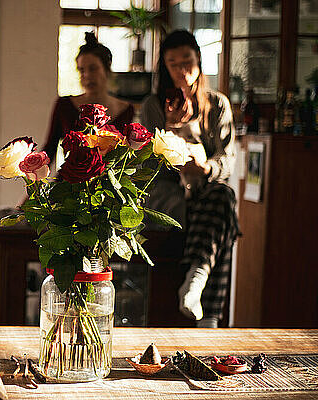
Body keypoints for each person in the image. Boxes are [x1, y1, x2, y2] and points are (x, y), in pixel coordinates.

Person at [140, 30, 239, 328]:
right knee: (225, 222)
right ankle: (207, 316)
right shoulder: (153, 106)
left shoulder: (217, 104)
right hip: (170, 199)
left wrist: (206, 167)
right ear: (164, 68)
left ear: (199, 60)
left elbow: (228, 160)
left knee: (223, 196)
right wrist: (172, 134)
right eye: (173, 63)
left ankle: (195, 282)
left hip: (206, 193)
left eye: (187, 61)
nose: (182, 70)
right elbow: (146, 164)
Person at [42, 31, 134, 166]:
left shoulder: (126, 109)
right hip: (69, 184)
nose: (87, 75)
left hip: (109, 185)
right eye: (81, 70)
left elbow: (129, 158)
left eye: (93, 69)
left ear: (106, 68)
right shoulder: (64, 105)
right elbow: (49, 150)